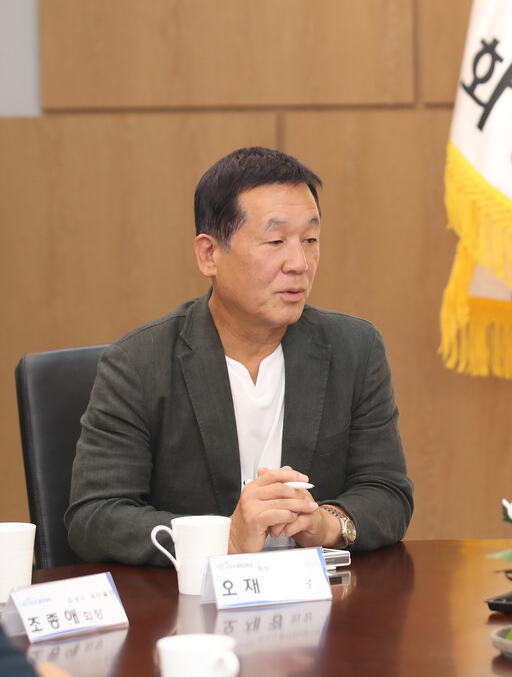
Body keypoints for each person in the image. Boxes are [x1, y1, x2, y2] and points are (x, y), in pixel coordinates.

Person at [67, 147, 413, 564]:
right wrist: (224, 540)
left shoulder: (354, 349)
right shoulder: (138, 363)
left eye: (309, 240)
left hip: (321, 598)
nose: (299, 263)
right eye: (275, 241)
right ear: (209, 254)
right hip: (190, 600)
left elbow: (387, 492)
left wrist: (326, 523)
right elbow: (95, 516)